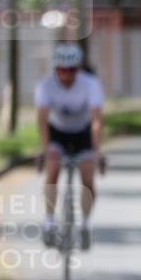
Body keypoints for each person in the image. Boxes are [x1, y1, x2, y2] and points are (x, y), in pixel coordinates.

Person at [36, 42, 104, 250]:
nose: (66, 75)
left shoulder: (90, 84)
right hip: (58, 132)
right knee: (53, 169)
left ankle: (85, 224)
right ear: (55, 69)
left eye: (71, 70)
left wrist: (96, 151)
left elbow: (96, 121)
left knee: (88, 176)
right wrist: (46, 150)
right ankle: (49, 222)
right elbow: (42, 120)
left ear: (78, 69)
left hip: (82, 132)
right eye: (62, 70)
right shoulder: (46, 86)